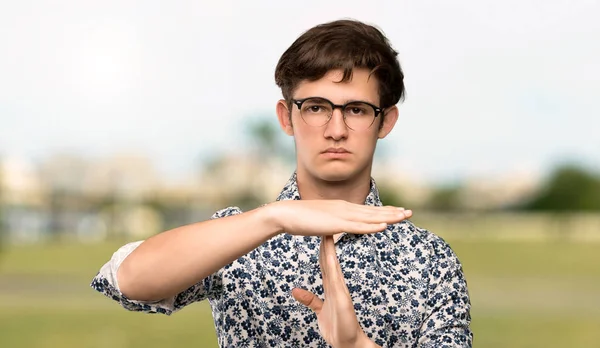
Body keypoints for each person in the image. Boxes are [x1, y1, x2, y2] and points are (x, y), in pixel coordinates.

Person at [91, 19, 473, 348]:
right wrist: (274, 219)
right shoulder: (240, 235)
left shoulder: (429, 261)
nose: (336, 130)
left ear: (386, 121)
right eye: (316, 108)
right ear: (286, 117)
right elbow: (128, 280)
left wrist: (356, 344)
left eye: (356, 110)